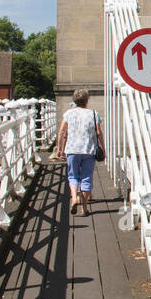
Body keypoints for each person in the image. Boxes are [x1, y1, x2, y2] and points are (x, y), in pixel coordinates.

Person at [57, 88, 105, 216]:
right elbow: (99, 132)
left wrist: (59, 148)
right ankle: (84, 208)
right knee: (86, 178)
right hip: (88, 150)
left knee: (73, 176)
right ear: (87, 100)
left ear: (74, 100)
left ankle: (73, 198)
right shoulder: (94, 114)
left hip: (72, 150)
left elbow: (62, 132)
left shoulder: (68, 114)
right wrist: (103, 148)